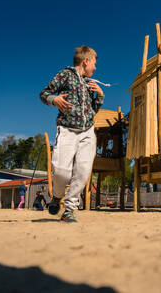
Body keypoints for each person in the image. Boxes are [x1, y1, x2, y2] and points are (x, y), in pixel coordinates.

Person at [39, 45, 104, 223]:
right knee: (62, 172)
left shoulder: (89, 84)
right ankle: (56, 197)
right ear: (86, 61)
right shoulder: (65, 75)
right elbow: (44, 93)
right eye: (94, 64)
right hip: (67, 129)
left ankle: (69, 210)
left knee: (83, 171)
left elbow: (92, 111)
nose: (95, 68)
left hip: (87, 132)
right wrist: (55, 99)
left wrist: (99, 95)